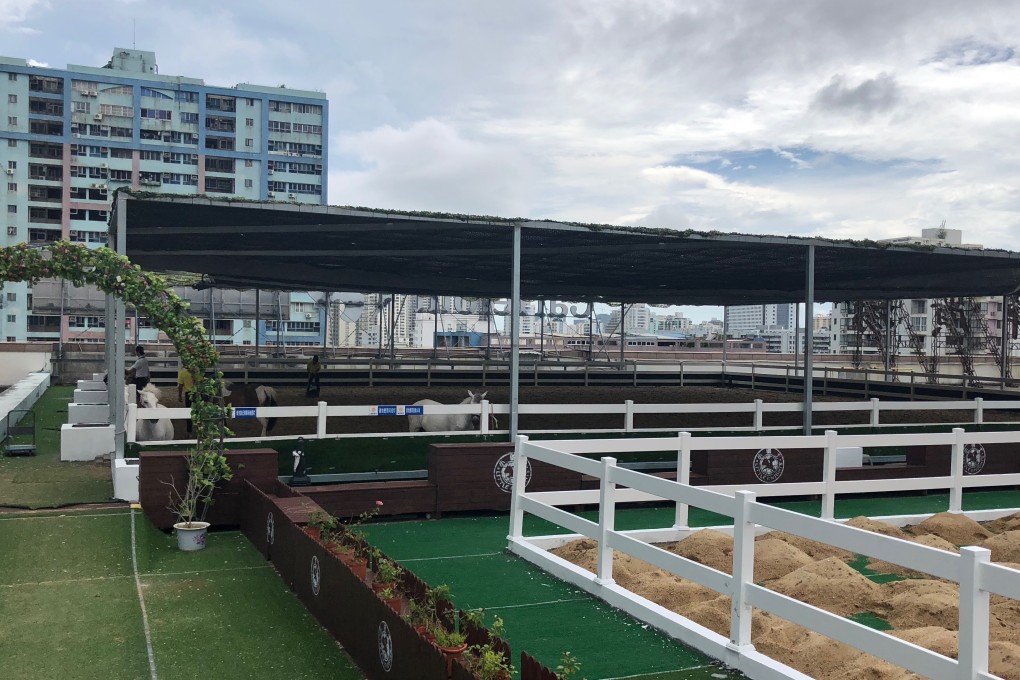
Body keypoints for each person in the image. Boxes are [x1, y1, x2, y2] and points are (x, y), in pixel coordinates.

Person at [177, 363, 196, 434]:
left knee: (189, 412)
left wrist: (179, 396)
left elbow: (180, 386)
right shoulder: (196, 371)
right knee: (199, 411)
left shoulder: (182, 373)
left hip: (188, 394)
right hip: (197, 393)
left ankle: (189, 431)